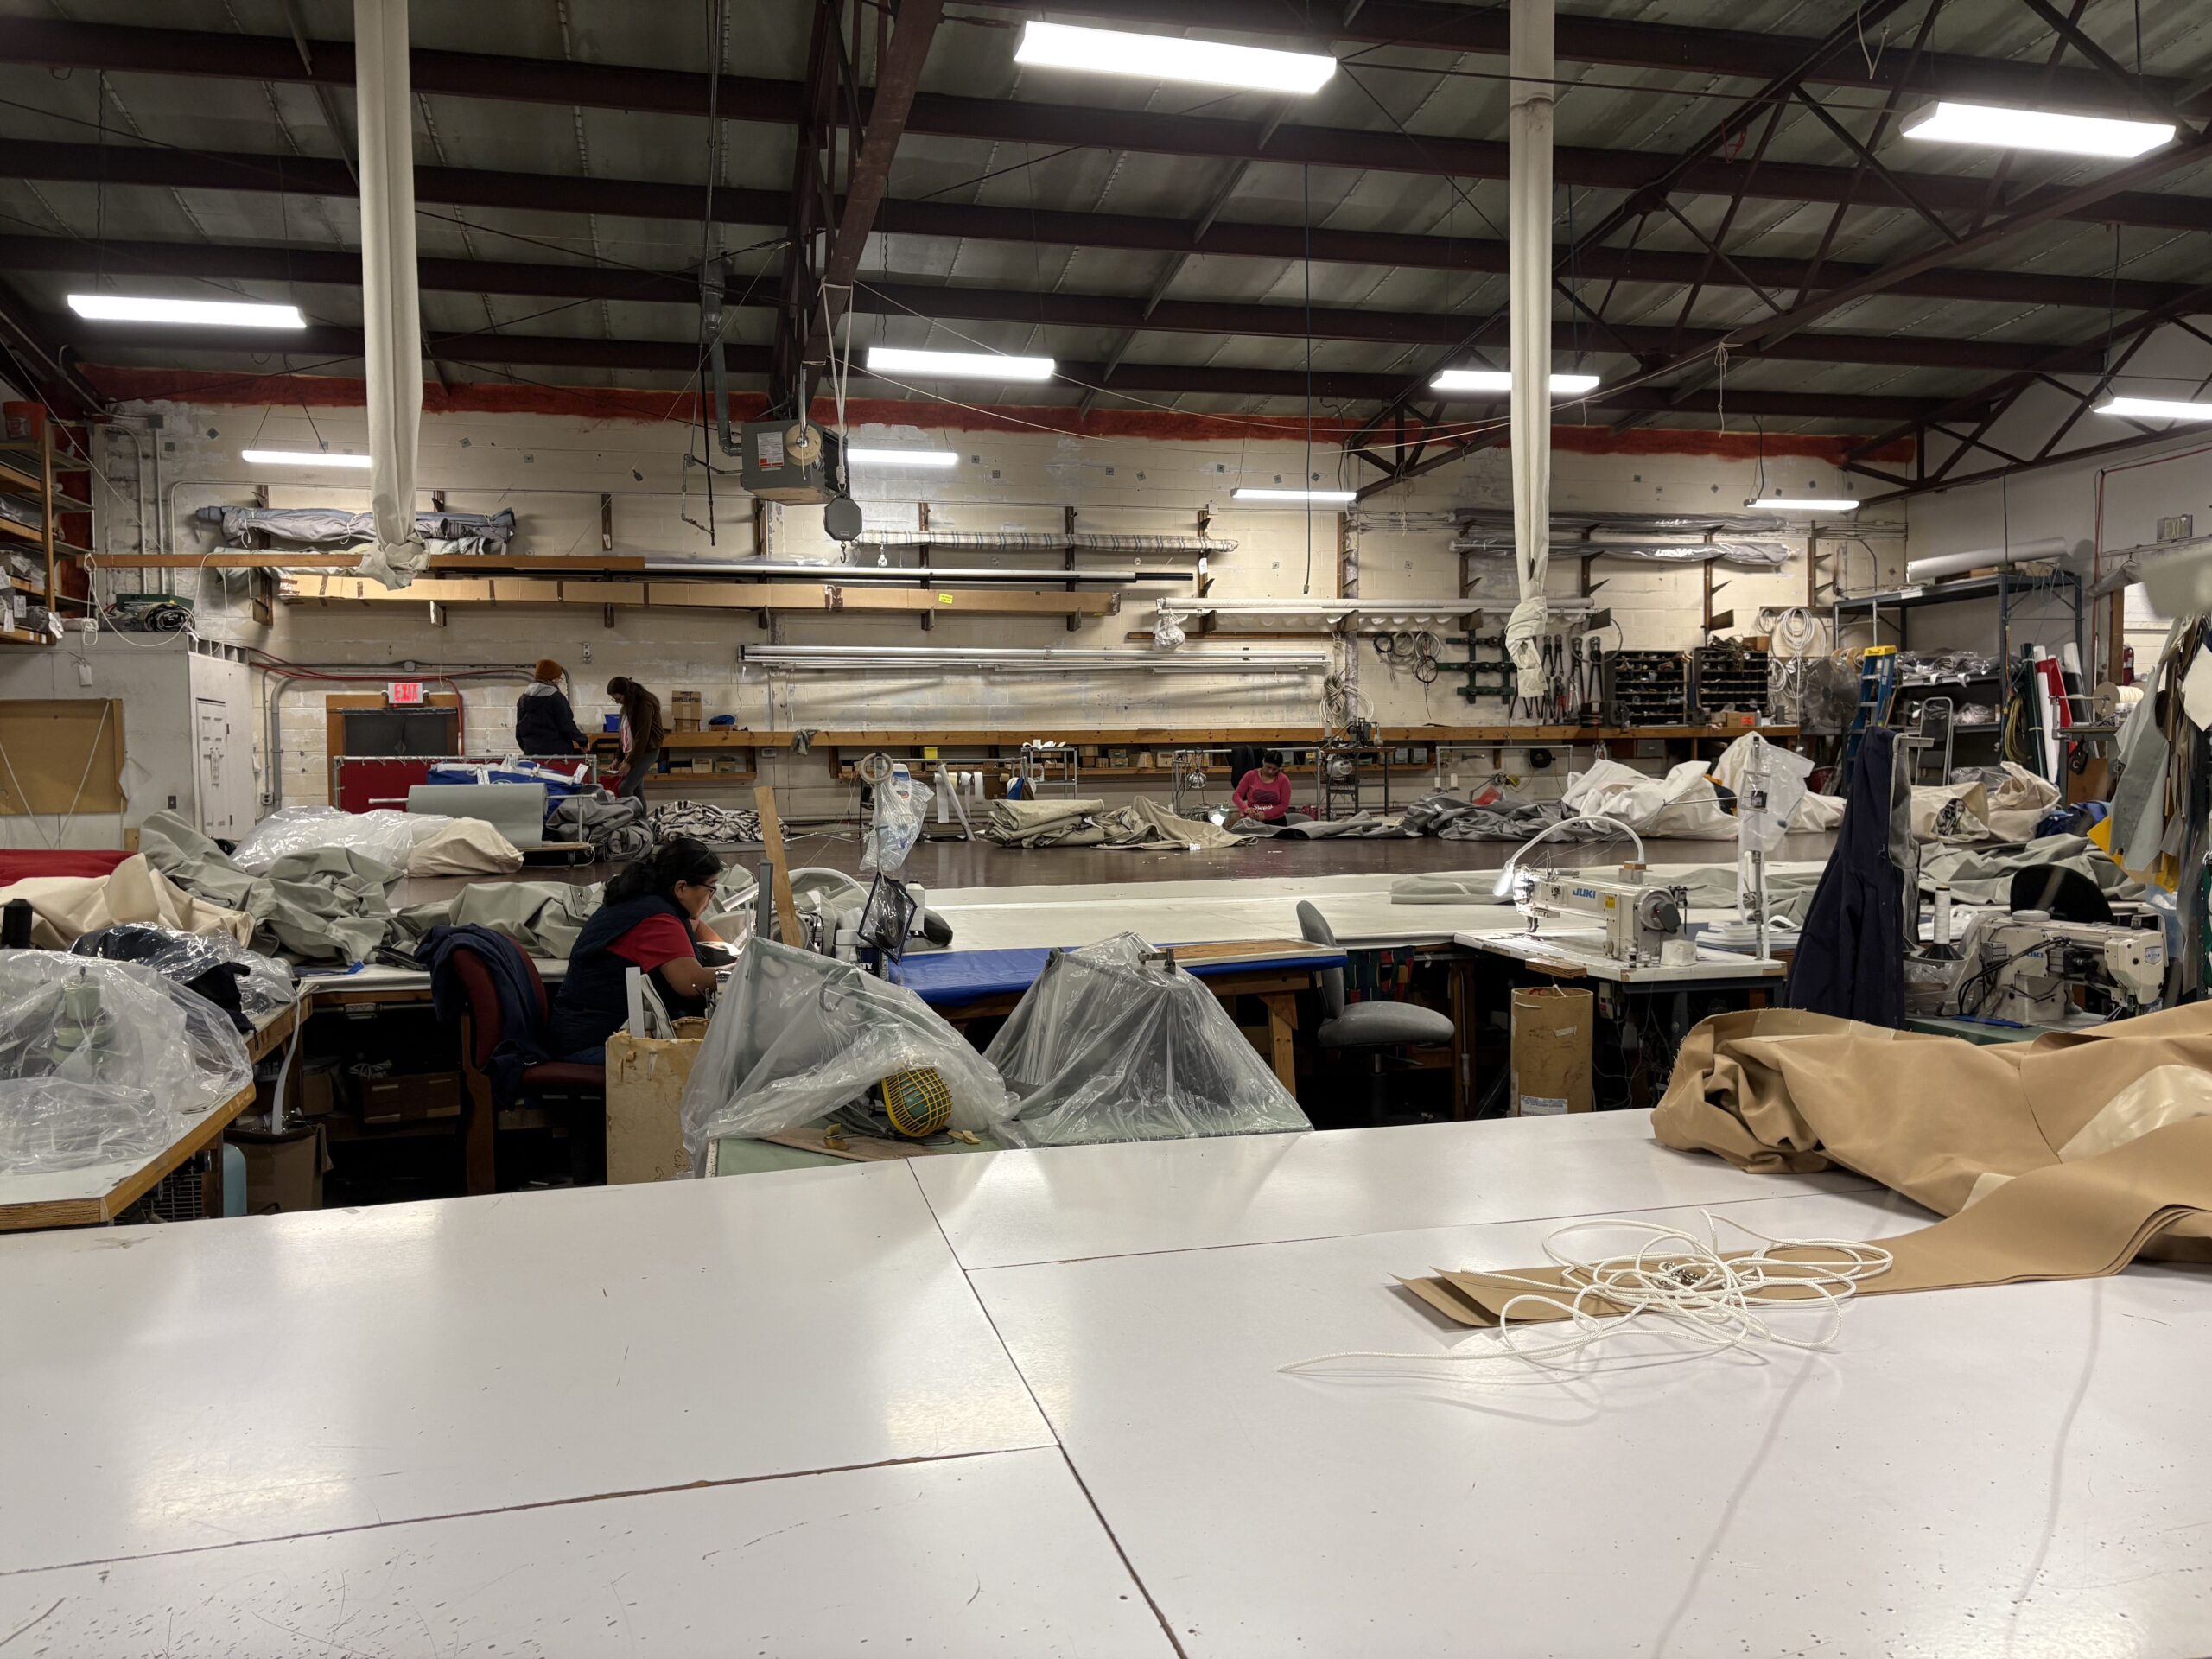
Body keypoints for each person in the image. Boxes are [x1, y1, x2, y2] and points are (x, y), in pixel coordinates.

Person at [548, 836, 725, 1060]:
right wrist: (740, 969)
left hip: (583, 1031)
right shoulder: (656, 919)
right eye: (711, 888)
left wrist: (727, 950)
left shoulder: (644, 899)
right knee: (708, 1063)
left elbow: (695, 926)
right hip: (595, 1042)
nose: (711, 897)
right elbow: (691, 983)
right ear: (681, 888)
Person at [605, 675, 664, 799]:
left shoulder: (644, 705)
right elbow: (623, 735)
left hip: (647, 751)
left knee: (624, 788)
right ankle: (639, 812)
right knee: (637, 791)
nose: (617, 702)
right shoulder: (625, 707)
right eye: (614, 699)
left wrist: (629, 762)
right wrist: (618, 758)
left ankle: (632, 812)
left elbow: (642, 736)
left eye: (618, 698)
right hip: (632, 752)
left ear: (626, 693)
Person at [514, 658, 587, 757]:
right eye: (558, 678)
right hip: (557, 755)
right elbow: (567, 725)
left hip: (531, 754)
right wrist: (583, 741)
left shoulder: (523, 699)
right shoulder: (556, 698)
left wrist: (528, 748)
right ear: (552, 679)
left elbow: (519, 729)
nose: (558, 681)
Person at [1232, 750, 1297, 824]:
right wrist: (1246, 809)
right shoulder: (1250, 775)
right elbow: (1236, 795)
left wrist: (1265, 814)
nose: (1270, 771)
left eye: (1274, 769)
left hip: (1277, 822)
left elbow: (1284, 805)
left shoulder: (1284, 780)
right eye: (1268, 767)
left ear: (1279, 768)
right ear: (1263, 761)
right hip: (1253, 821)